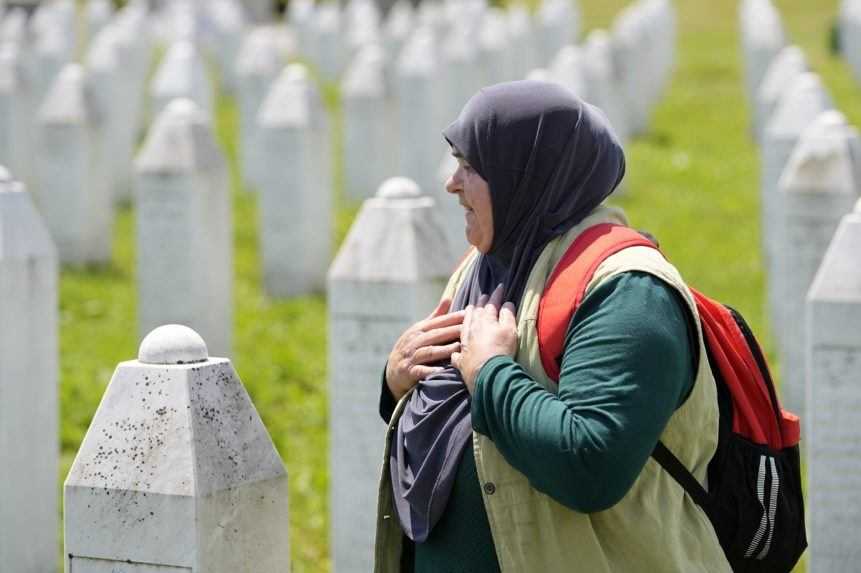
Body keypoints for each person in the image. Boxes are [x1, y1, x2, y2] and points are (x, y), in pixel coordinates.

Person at [374, 81, 731, 572]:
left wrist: (492, 374)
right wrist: (397, 382)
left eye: (471, 165)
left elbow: (589, 467)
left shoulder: (629, 295)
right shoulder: (489, 263)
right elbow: (448, 409)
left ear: (525, 174)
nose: (451, 183)